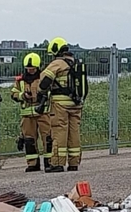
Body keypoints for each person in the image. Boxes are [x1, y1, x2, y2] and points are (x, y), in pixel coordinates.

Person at [38, 38, 87, 172]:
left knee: (59, 131)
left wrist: (41, 92)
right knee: (74, 133)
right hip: (76, 104)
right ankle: (73, 163)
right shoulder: (74, 62)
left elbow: (43, 82)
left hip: (60, 104)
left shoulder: (57, 63)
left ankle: (57, 163)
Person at [10, 52, 49, 173]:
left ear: (37, 67)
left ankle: (50, 162)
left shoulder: (43, 77)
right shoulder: (20, 80)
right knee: (29, 140)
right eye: (28, 69)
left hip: (43, 113)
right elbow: (14, 93)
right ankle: (33, 164)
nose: (30, 71)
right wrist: (22, 95)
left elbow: (50, 91)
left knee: (48, 138)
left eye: (32, 69)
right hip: (27, 115)